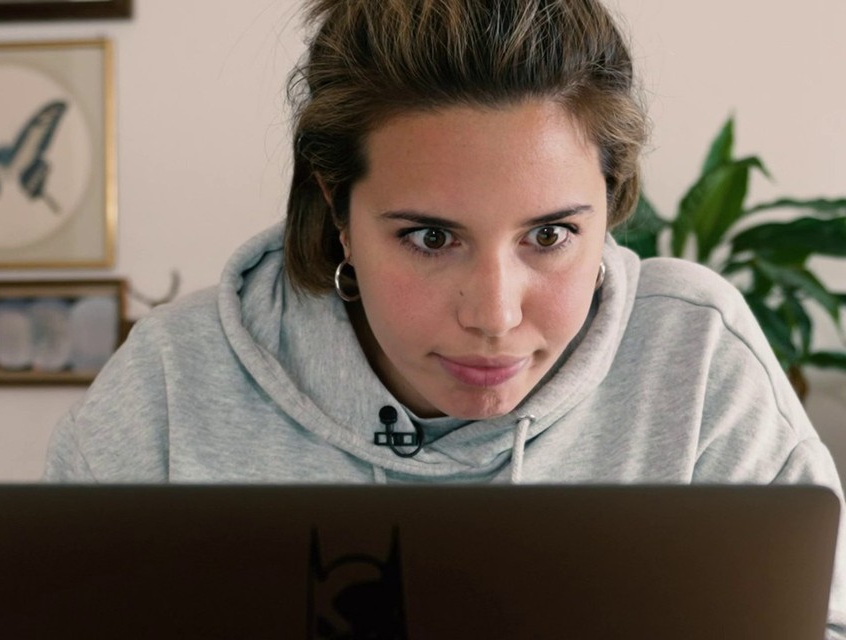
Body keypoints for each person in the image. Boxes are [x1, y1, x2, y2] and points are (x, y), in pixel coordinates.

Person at [43, 0, 845, 634]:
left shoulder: (697, 359)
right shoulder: (172, 381)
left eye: (550, 236)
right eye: (430, 238)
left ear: (611, 203)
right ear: (338, 210)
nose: (495, 315)